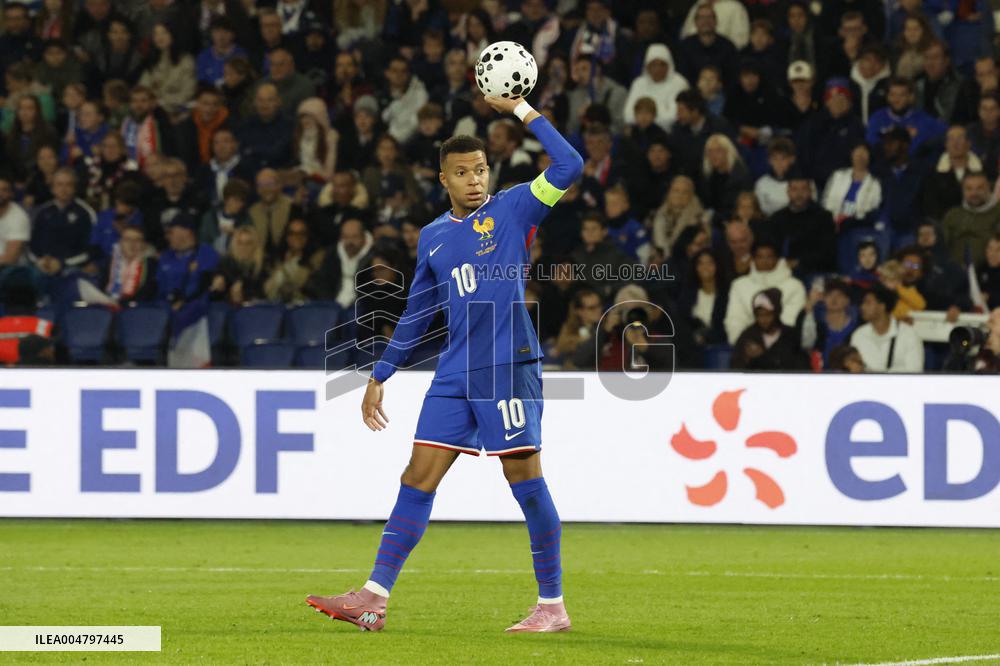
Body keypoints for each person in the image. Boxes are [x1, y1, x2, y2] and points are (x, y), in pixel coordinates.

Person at [305, 94, 583, 634]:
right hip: (454, 372)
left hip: (506, 365)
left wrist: (521, 109)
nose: (475, 179)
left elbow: (570, 164)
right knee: (417, 476)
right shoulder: (432, 239)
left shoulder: (516, 206)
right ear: (443, 179)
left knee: (525, 481)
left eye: (480, 169)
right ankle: (373, 598)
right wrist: (379, 374)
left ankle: (552, 605)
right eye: (462, 172)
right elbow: (416, 313)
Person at [724, 238, 806, 344]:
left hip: (783, 349)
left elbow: (791, 320)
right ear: (753, 259)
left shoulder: (795, 286)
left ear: (777, 259)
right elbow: (735, 319)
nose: (765, 261)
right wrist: (744, 345)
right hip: (748, 348)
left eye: (769, 256)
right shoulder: (739, 285)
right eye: (760, 257)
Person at [850, 283, 924, 372]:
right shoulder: (859, 335)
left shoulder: (908, 334)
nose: (862, 307)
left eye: (868, 303)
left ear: (882, 306)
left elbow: (915, 372)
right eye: (863, 303)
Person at [731, 288, 809, 370]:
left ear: (776, 313)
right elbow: (735, 368)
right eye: (759, 315)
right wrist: (747, 359)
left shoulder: (789, 336)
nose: (763, 320)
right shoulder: (748, 336)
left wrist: (762, 356)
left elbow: (798, 366)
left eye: (768, 314)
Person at [622, 43, 689, 130]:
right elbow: (628, 116)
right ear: (647, 66)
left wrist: (644, 118)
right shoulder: (638, 83)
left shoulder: (679, 83)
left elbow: (674, 116)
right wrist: (661, 112)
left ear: (669, 65)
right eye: (653, 64)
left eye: (662, 64)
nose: (657, 69)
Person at [941, 171, 1000, 266]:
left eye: (980, 188)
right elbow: (942, 245)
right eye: (969, 189)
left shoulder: (998, 212)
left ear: (989, 188)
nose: (974, 193)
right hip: (955, 272)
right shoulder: (953, 214)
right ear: (963, 191)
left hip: (989, 272)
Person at [821, 141, 882, 230]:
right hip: (831, 224)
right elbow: (826, 202)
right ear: (851, 155)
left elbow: (872, 210)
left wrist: (849, 220)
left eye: (864, 152)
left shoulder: (875, 183)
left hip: (857, 226)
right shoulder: (837, 176)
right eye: (857, 152)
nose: (860, 156)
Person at [800, 278, 859, 367]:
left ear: (847, 300)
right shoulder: (817, 327)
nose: (834, 299)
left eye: (839, 295)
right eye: (829, 295)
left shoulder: (857, 330)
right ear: (823, 299)